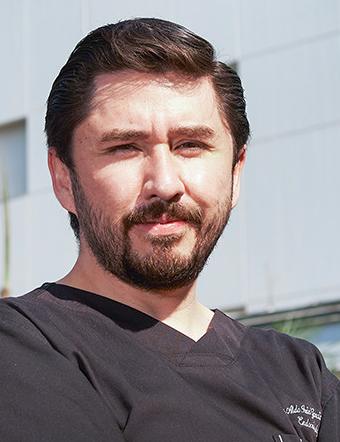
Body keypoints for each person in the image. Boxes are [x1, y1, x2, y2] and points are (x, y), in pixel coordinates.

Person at [0, 18, 338, 442]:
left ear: (236, 172)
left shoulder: (300, 371)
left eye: (191, 145)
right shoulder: (23, 348)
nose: (164, 183)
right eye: (124, 147)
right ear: (64, 178)